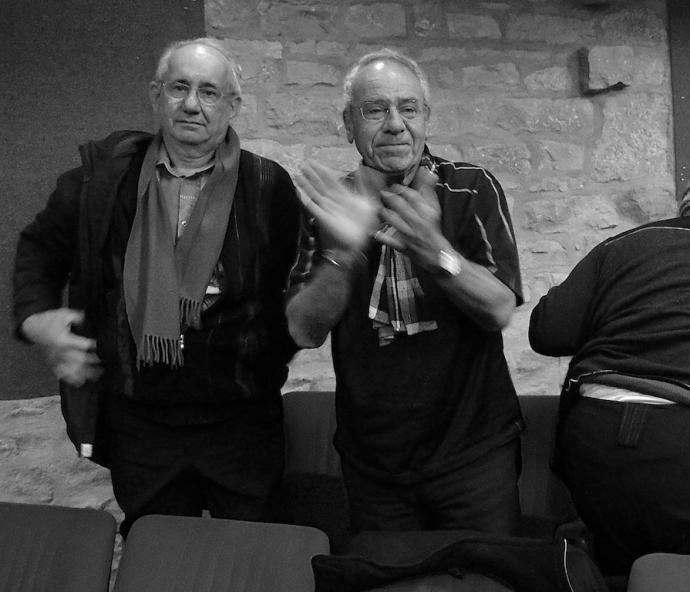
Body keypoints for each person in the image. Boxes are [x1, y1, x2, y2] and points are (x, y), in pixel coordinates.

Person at [13, 38, 301, 537]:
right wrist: (36, 317)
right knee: (157, 548)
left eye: (209, 92)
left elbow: (288, 292)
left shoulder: (268, 186)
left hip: (242, 421)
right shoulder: (103, 179)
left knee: (254, 550)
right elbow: (40, 248)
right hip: (139, 421)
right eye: (178, 87)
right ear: (155, 95)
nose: (191, 104)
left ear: (233, 105)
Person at [286, 49, 524, 535]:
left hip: (475, 453)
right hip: (374, 463)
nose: (395, 124)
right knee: (386, 572)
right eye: (375, 110)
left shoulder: (470, 188)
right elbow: (304, 331)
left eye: (408, 108)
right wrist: (344, 252)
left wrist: (436, 252)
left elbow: (500, 308)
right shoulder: (329, 206)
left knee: (486, 572)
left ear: (426, 117)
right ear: (348, 124)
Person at [529, 209, 690, 576]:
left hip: (596, 434)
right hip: (682, 434)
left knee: (614, 570)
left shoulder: (623, 244)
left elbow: (548, 331)